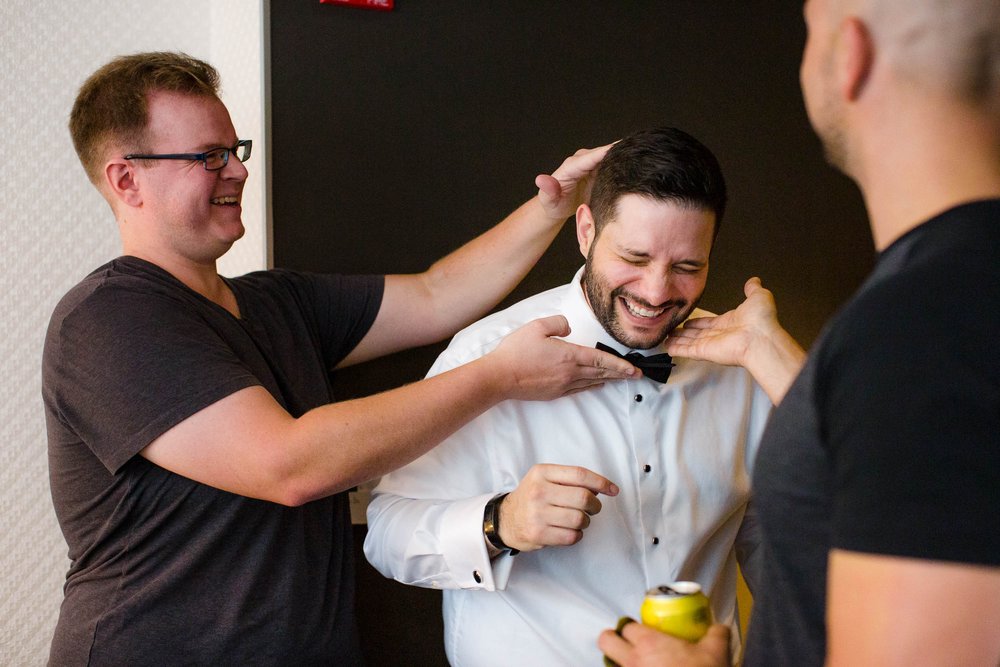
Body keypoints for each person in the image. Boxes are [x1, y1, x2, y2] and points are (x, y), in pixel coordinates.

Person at [42, 51, 637, 666]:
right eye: (207, 156)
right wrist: (499, 378)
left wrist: (553, 207)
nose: (237, 172)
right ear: (125, 180)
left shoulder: (278, 302)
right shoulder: (107, 318)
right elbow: (289, 466)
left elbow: (438, 295)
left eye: (235, 149)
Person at [598, 0, 1000, 665]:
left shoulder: (923, 329)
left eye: (809, 32)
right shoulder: (943, 309)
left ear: (851, 55)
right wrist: (765, 348)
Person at [363, 126, 774, 666]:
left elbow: (773, 546)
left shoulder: (743, 362)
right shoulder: (488, 354)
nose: (655, 291)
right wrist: (499, 523)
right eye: (634, 256)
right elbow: (386, 533)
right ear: (586, 231)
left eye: (686, 267)